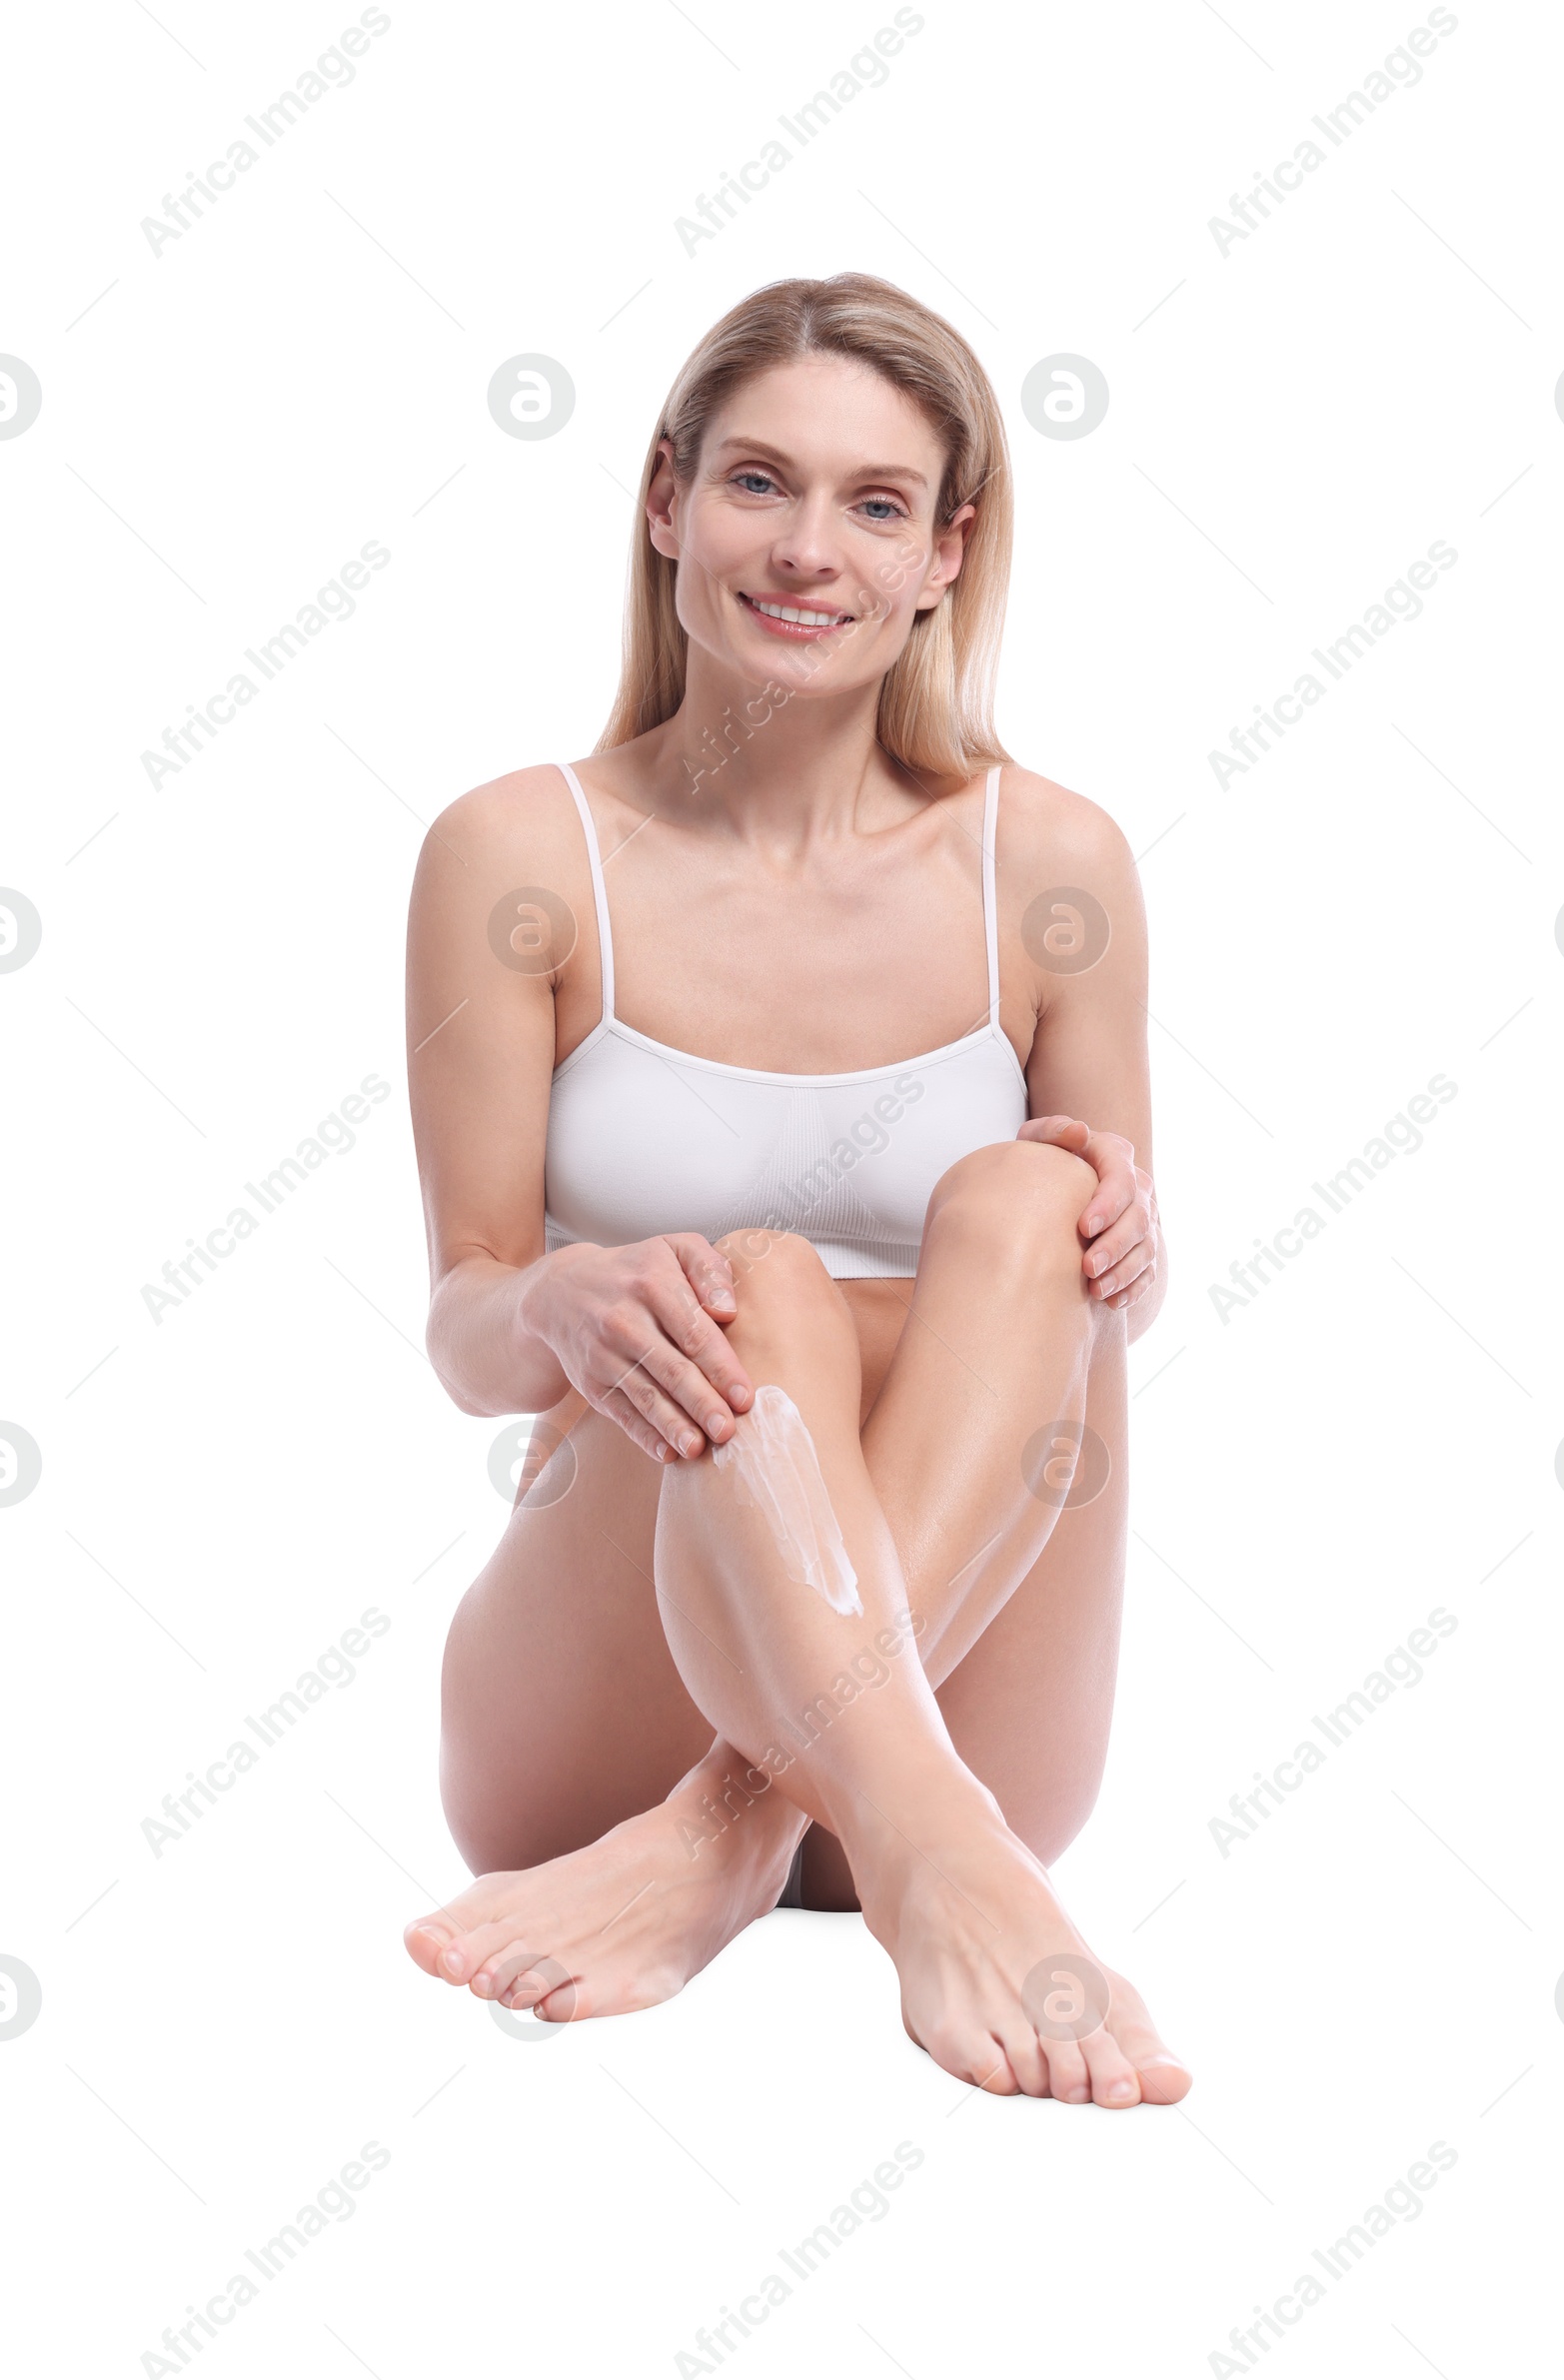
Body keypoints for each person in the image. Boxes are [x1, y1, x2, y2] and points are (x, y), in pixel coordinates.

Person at [400, 274, 1189, 2106]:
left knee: (1023, 1206)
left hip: (976, 1683)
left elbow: (1104, 1307)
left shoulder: (1053, 861)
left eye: (876, 503)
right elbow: (462, 1323)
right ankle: (895, 1839)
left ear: (945, 553)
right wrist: (553, 1305)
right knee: (755, 1285)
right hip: (602, 1696)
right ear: (666, 500)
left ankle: (737, 1833)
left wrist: (1122, 1238)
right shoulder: (518, 852)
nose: (807, 549)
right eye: (759, 483)